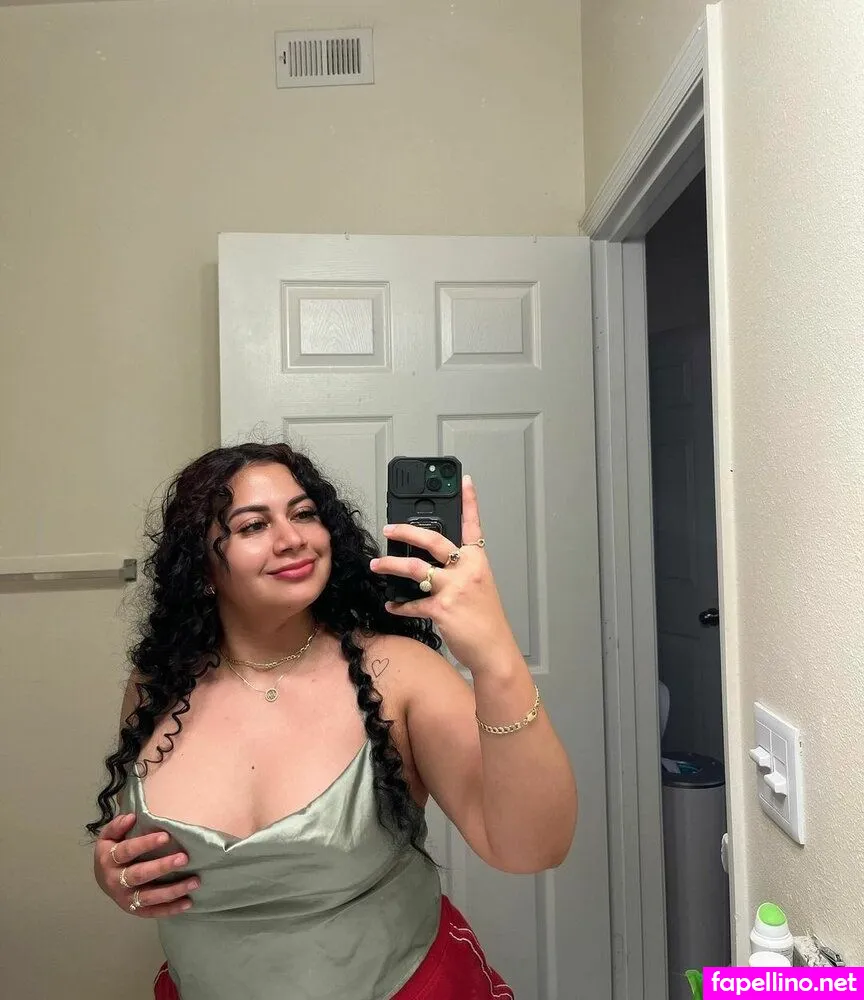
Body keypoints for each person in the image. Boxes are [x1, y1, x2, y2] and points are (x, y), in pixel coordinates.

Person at [90, 443, 577, 1000]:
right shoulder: (156, 685)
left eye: (304, 514)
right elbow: (135, 849)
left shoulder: (400, 675)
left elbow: (533, 849)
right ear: (201, 569)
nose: (292, 538)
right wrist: (116, 873)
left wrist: (495, 657)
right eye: (253, 525)